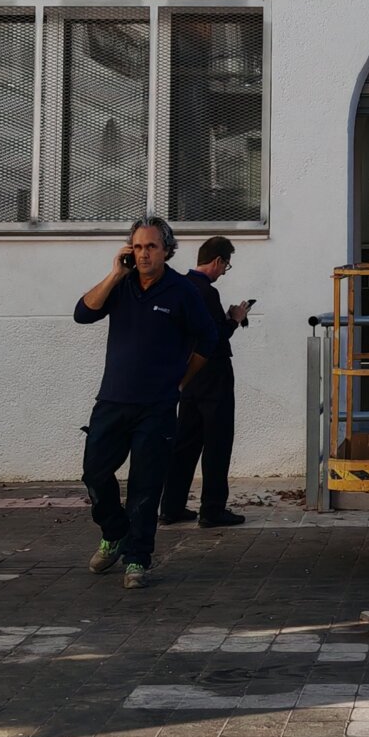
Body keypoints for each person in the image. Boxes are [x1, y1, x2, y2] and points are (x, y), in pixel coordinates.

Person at [73, 216, 219, 588]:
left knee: (145, 484)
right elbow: (83, 314)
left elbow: (208, 340)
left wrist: (181, 379)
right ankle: (115, 531)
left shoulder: (182, 291)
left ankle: (137, 559)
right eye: (137, 247)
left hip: (156, 405)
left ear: (167, 250)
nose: (143, 254)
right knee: (94, 473)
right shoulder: (121, 286)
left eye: (151, 247)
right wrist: (113, 275)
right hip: (112, 400)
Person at [161, 236, 251, 529]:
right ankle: (212, 509)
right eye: (226, 265)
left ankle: (171, 506)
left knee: (185, 443)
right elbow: (215, 337)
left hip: (188, 375)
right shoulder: (207, 292)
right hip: (215, 376)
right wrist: (235, 319)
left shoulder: (182, 287)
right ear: (218, 261)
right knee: (217, 442)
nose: (225, 271)